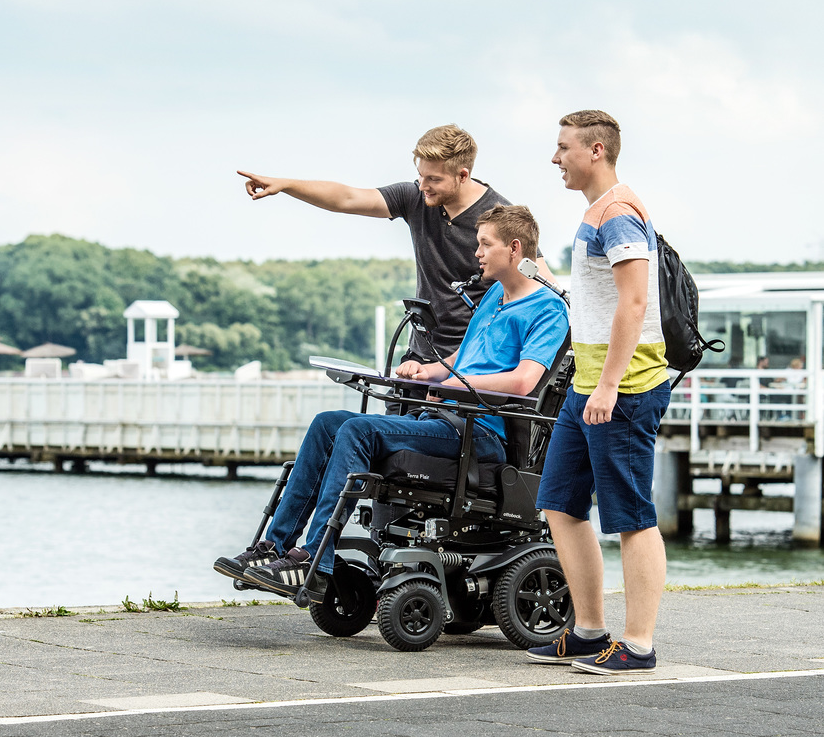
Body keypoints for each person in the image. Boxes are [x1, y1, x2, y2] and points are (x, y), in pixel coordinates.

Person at [213, 205, 569, 601]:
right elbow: (462, 361)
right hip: (442, 417)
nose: (477, 253)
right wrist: (427, 369)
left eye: (485, 244)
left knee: (357, 429)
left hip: (479, 431)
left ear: (515, 248)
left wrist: (455, 386)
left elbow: (523, 381)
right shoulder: (492, 298)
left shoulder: (548, 309)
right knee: (327, 422)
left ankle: (314, 558)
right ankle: (275, 548)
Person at [528, 110, 671, 676]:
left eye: (562, 147)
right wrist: (548, 280)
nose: (555, 157)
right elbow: (598, 301)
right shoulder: (595, 215)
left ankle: (638, 646)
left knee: (632, 515)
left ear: (595, 151)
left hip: (624, 388)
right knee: (560, 503)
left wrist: (610, 385)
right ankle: (589, 631)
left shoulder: (617, 213)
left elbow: (635, 303)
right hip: (586, 386)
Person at [238, 124, 555, 369]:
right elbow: (347, 198)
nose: (423, 186)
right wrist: (285, 185)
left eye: (433, 179)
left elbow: (544, 286)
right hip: (418, 354)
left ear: (463, 174)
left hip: (468, 361)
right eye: (420, 176)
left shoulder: (498, 218)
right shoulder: (416, 198)